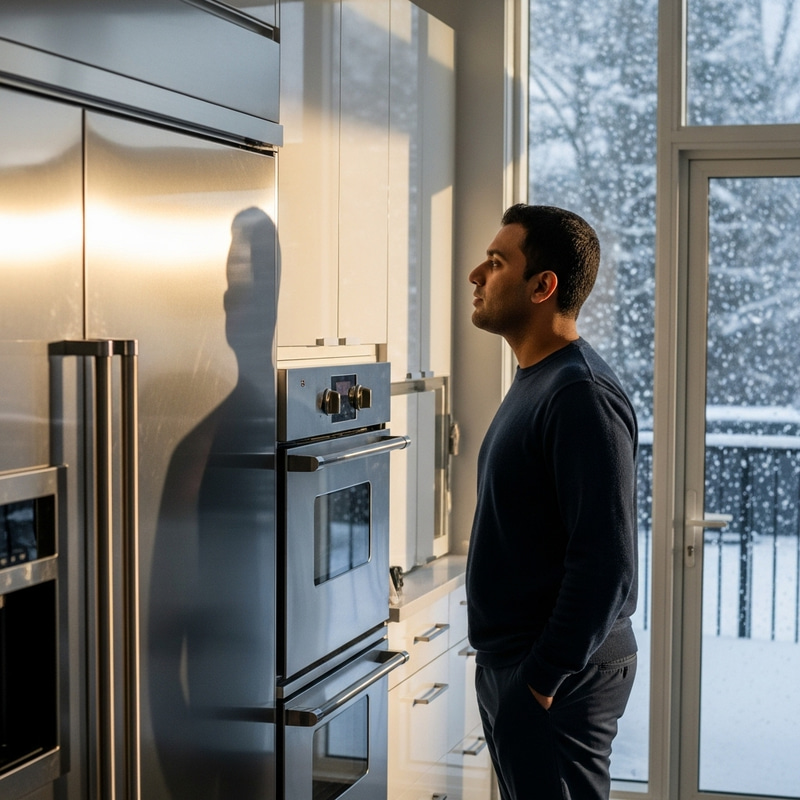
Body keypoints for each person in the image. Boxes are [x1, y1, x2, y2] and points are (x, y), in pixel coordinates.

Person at [465, 203, 638, 800]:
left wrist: (540, 680)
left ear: (543, 285)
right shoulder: (538, 380)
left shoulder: (578, 394)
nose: (476, 276)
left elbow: (608, 563)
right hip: (526, 666)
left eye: (495, 262)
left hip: (558, 675)